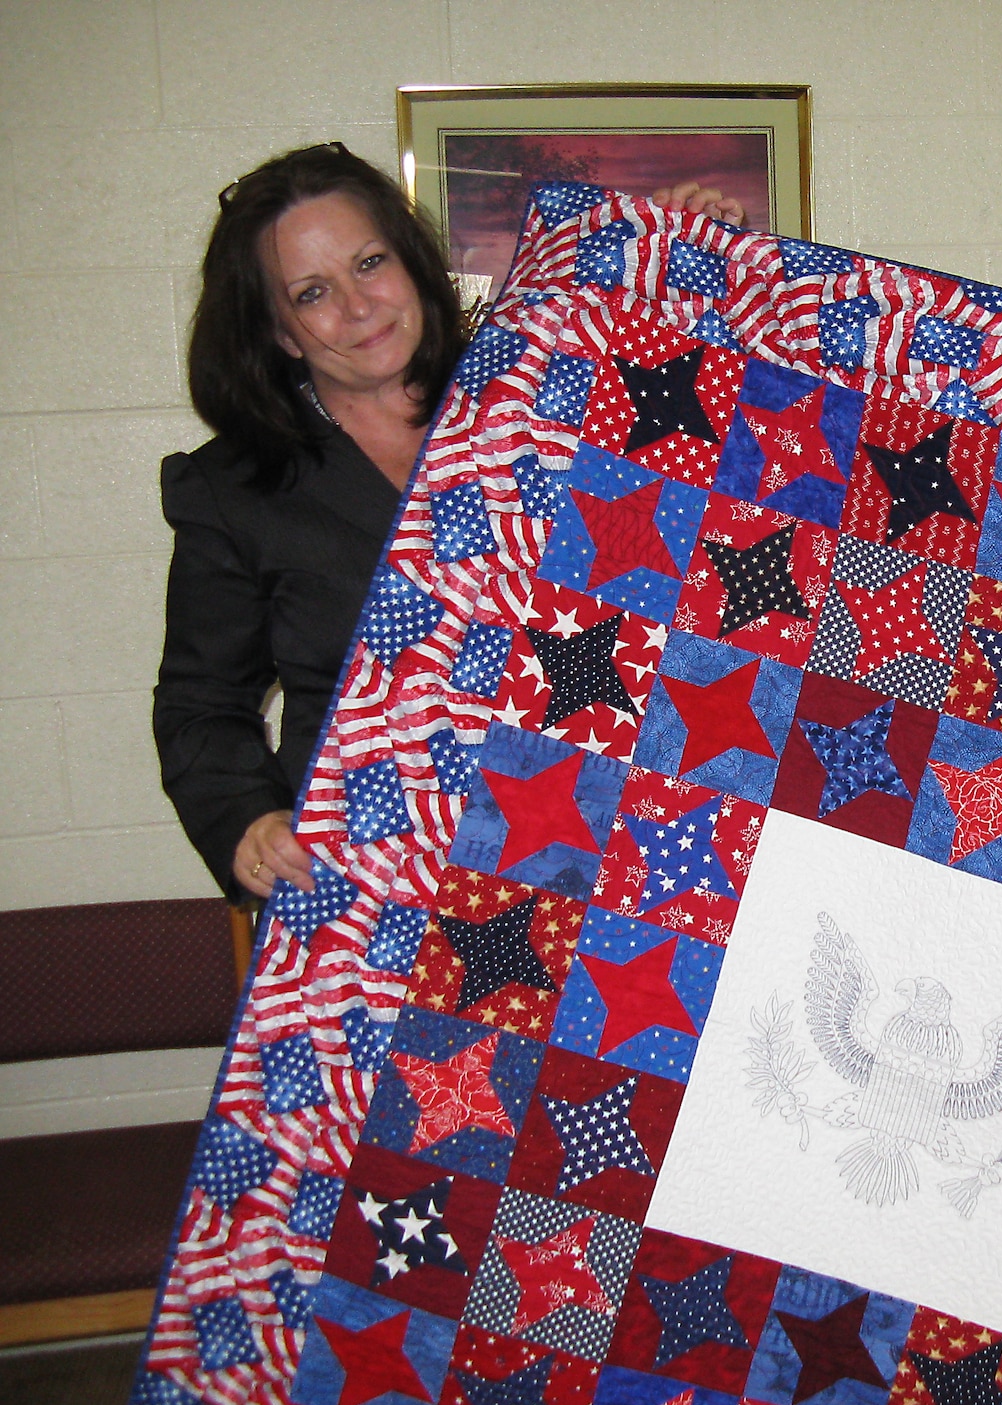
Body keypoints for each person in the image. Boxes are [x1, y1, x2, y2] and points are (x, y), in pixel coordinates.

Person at [154, 145, 740, 902]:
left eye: (370, 264)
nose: (358, 307)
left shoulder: (540, 397)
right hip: (384, 870)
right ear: (279, 331)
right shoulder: (236, 490)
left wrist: (679, 260)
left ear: (412, 261)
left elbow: (702, 450)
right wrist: (247, 817)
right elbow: (200, 706)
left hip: (595, 827)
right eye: (310, 293)